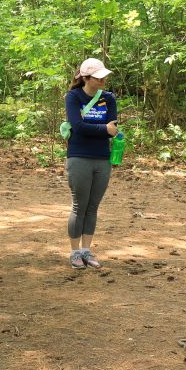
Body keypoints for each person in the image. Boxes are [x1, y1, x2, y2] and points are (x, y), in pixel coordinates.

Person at [63, 57, 118, 269]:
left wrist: (102, 130)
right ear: (86, 78)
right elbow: (77, 125)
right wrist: (102, 130)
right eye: (99, 77)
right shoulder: (73, 97)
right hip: (78, 156)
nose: (103, 80)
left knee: (93, 207)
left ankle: (86, 251)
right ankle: (75, 252)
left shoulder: (108, 98)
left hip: (102, 158)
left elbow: (113, 126)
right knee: (79, 206)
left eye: (104, 76)